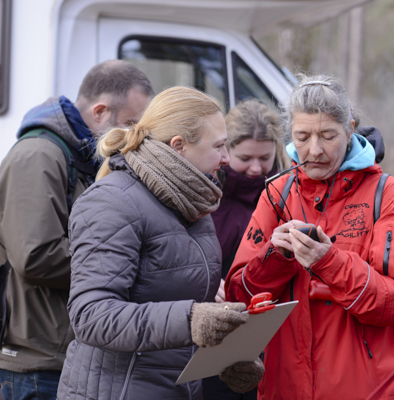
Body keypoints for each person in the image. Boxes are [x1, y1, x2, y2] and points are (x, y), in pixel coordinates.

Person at [56, 86, 265, 400]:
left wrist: (230, 355)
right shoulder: (112, 201)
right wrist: (192, 320)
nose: (225, 158)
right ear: (179, 146)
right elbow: (92, 315)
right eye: (219, 146)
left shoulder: (193, 200)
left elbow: (180, 305)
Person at [225, 75, 394, 400]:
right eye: (302, 137)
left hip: (370, 389)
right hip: (286, 387)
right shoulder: (277, 193)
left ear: (350, 128)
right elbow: (239, 296)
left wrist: (328, 261)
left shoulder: (387, 194)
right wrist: (276, 257)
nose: (314, 150)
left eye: (328, 136)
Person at [0, 60, 153, 400]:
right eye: (130, 123)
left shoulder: (82, 157)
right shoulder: (38, 155)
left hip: (68, 357)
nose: (135, 136)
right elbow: (35, 256)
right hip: (38, 366)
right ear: (100, 111)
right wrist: (125, 262)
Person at [204, 99, 289, 399]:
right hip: (213, 327)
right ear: (226, 151)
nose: (256, 168)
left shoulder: (285, 193)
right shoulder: (206, 194)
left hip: (267, 330)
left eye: (264, 158)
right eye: (245, 158)